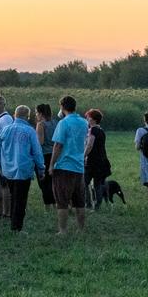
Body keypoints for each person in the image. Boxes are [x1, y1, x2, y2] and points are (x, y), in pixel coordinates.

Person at [0, 106, 46, 232]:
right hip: (23, 170)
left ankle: (13, 223)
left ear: (14, 115)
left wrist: (0, 165)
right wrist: (41, 168)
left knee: (13, 196)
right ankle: (16, 227)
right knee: (21, 199)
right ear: (28, 117)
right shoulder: (29, 131)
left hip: (8, 171)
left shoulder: (6, 130)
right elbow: (37, 152)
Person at [46, 95, 89, 235]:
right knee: (79, 201)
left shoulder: (63, 123)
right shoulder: (84, 122)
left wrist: (52, 165)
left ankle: (62, 230)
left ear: (62, 107)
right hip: (79, 166)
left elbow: (58, 145)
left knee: (62, 201)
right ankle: (81, 229)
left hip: (64, 166)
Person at [84, 110, 116, 206]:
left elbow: (90, 145)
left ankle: (88, 203)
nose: (87, 119)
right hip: (102, 160)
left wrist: (83, 156)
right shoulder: (101, 131)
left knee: (84, 183)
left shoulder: (93, 130)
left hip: (92, 161)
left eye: (88, 117)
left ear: (93, 119)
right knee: (97, 184)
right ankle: (97, 205)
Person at [33, 103, 56, 209]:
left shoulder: (41, 124)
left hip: (44, 155)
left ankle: (48, 207)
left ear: (41, 113)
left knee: (44, 182)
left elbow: (40, 142)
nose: (36, 115)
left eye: (36, 112)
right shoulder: (54, 122)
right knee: (53, 181)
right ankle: (56, 203)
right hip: (54, 154)